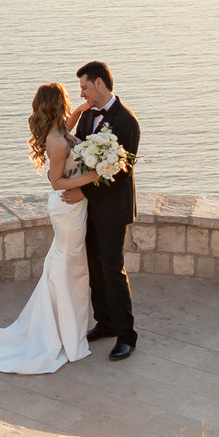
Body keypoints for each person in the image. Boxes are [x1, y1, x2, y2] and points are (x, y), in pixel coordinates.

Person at [0, 83, 97, 375]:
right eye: (65, 99)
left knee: (68, 263)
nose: (68, 102)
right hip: (66, 206)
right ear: (55, 104)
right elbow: (56, 181)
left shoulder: (60, 129)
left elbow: (68, 128)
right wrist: (93, 177)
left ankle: (63, 327)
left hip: (73, 208)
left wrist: (78, 112)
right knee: (70, 265)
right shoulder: (56, 141)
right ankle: (61, 335)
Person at [73, 61, 142, 360]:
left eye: (85, 87)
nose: (82, 93)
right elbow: (79, 153)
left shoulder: (127, 121)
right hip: (89, 209)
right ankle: (105, 322)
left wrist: (82, 189)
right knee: (95, 269)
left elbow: (122, 172)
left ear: (99, 83)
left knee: (113, 270)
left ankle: (126, 335)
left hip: (113, 210)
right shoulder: (87, 116)